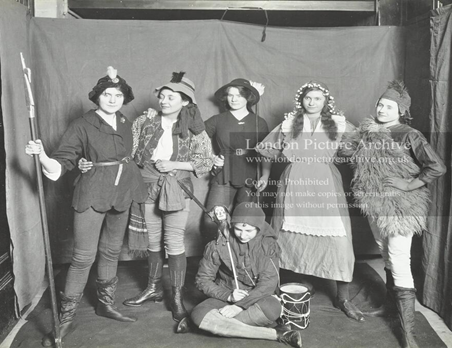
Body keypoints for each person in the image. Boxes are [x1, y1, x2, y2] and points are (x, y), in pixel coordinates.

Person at [25, 67, 148, 346]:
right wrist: (43, 155)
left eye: (118, 95)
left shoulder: (125, 122)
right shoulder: (82, 124)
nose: (113, 99)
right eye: (107, 94)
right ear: (97, 97)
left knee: (112, 250)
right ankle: (65, 319)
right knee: (83, 257)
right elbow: (64, 160)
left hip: (124, 189)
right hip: (92, 191)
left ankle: (106, 304)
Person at [337, 81, 446, 348]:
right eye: (380, 104)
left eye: (389, 106)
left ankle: (408, 333)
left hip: (400, 205)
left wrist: (409, 184)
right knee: (384, 251)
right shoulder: (368, 131)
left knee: (399, 259)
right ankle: (388, 307)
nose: (382, 109)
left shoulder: (409, 134)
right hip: (374, 203)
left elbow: (437, 166)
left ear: (401, 110)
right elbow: (352, 157)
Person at [256, 81, 365, 321]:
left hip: (326, 183)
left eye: (317, 98)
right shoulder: (288, 123)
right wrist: (265, 175)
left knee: (338, 241)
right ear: (301, 100)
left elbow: (361, 148)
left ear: (326, 102)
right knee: (288, 237)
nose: (312, 102)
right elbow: (267, 149)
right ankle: (292, 284)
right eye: (308, 98)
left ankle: (343, 297)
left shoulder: (339, 124)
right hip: (294, 183)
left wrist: (362, 177)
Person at [121, 72, 214, 322]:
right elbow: (129, 152)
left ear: (184, 102)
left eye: (170, 97)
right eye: (161, 96)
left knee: (173, 242)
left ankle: (175, 295)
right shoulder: (144, 121)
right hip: (147, 184)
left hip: (176, 186)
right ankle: (152, 289)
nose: (163, 101)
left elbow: (206, 162)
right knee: (153, 241)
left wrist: (176, 164)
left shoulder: (195, 130)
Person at [176, 202, 302, 348]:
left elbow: (268, 283)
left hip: (258, 297)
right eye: (238, 229)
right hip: (226, 296)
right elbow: (202, 280)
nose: (243, 235)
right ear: (232, 225)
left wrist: (240, 306)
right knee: (199, 313)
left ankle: (203, 325)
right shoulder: (219, 244)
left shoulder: (268, 245)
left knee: (273, 309)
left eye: (249, 231)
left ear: (259, 228)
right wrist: (228, 296)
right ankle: (278, 334)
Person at [203, 79, 271, 238]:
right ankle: (217, 258)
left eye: (239, 95)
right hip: (224, 174)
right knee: (213, 220)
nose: (234, 99)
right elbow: (196, 140)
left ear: (248, 98)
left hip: (250, 175)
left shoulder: (259, 123)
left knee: (246, 222)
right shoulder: (217, 120)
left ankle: (242, 259)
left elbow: (266, 152)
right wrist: (211, 158)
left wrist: (266, 176)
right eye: (230, 95)